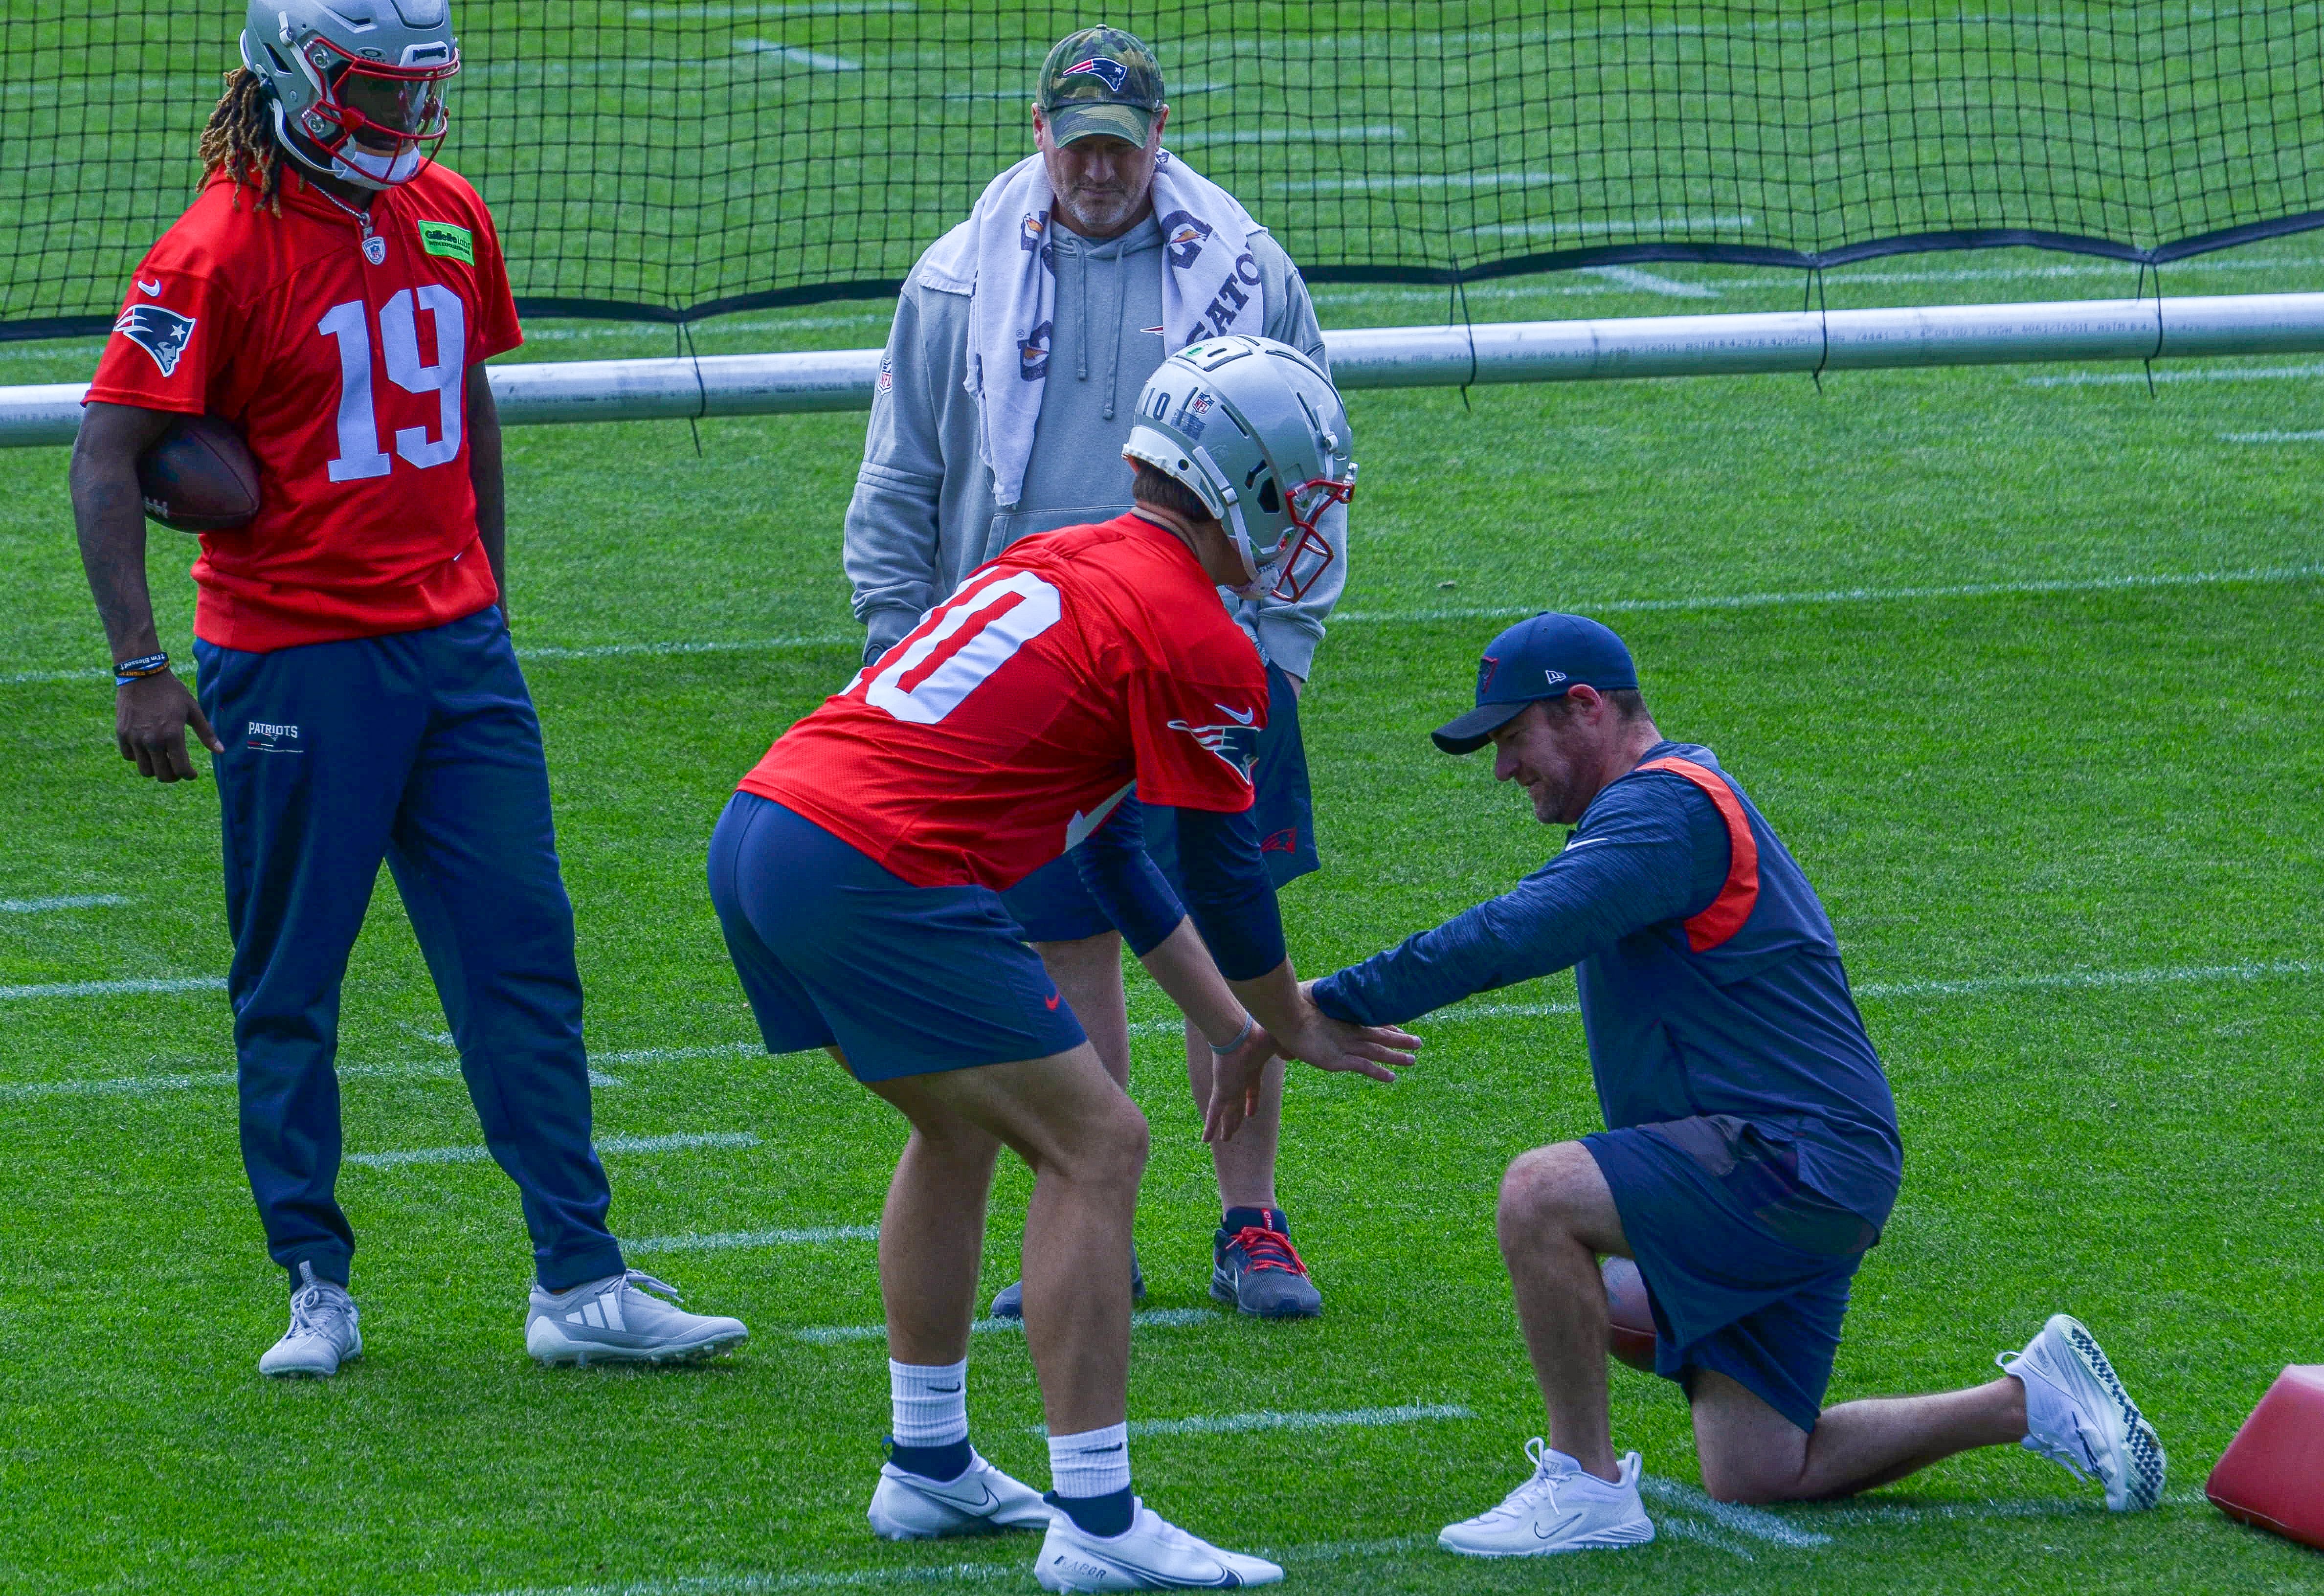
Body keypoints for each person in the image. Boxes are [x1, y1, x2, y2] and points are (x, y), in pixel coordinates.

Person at [67, 0, 742, 1378]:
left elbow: (472, 402)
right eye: (377, 90)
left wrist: (485, 589)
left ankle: (581, 1279)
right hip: (295, 655)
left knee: (522, 961)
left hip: (455, 653)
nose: (405, 118)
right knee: (293, 979)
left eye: (417, 88)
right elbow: (104, 458)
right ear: (300, 80)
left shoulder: (448, 210)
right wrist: (141, 666)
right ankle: (314, 1281)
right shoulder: (213, 247)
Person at [714, 337, 1413, 1588]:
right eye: (1303, 491)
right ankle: (1096, 1524)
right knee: (1102, 1143)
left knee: (961, 1128)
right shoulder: (1194, 633)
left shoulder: (1064, 557)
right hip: (873, 862)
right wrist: (1292, 1014)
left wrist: (1236, 1027)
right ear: (1247, 482)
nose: (1309, 520)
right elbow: (1223, 874)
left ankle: (926, 1465)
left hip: (770, 830)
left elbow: (1107, 864)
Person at [1304, 613, 2168, 1557]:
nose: (1504, 768)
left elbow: (1518, 933)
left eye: (1514, 738)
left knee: (1541, 1196)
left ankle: (1584, 1484)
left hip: (1793, 1157)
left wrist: (1319, 1002)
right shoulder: (1673, 802)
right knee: (1762, 1469)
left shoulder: (1663, 809)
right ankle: (2025, 1402)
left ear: (1585, 707)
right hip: (1819, 1160)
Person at [844, 25, 1346, 1321]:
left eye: (1122, 148)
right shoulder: (956, 283)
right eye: (1080, 148)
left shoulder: (1247, 273)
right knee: (1068, 944)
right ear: (1040, 136)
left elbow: (1313, 459)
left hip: (1202, 658)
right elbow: (899, 485)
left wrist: (1277, 659)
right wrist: (906, 659)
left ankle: (1253, 1224)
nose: (1101, 173)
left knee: (1233, 938)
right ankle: (1094, 1210)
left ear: (1159, 142)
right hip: (1035, 675)